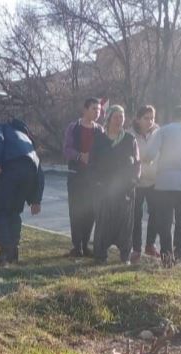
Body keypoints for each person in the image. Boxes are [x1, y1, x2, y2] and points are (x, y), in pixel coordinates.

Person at [143, 105, 181, 266]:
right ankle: (178, 253)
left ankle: (166, 256)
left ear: (172, 116)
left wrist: (146, 162)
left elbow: (150, 156)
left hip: (165, 182)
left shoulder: (163, 132)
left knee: (165, 221)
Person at [0, 119, 45, 265]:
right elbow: (39, 171)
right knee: (13, 213)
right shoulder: (27, 142)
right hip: (29, 174)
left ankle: (5, 251)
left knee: (0, 213)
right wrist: (36, 200)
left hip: (10, 170)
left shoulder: (2, 128)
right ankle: (13, 252)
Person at [90, 105, 140, 264]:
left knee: (124, 224)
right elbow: (92, 163)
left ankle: (125, 256)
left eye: (122, 116)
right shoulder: (99, 139)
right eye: (116, 116)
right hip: (103, 189)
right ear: (109, 118)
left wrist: (133, 181)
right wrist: (96, 182)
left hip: (125, 189)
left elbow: (137, 164)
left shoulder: (129, 139)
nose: (120, 120)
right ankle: (100, 255)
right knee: (103, 222)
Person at [63, 98, 104, 257]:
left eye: (99, 109)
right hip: (76, 176)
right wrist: (80, 156)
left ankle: (86, 244)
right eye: (94, 108)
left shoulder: (100, 130)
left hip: (93, 178)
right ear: (85, 109)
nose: (97, 112)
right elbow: (66, 150)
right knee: (76, 211)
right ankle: (77, 246)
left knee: (91, 211)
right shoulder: (73, 128)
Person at [128, 105, 160, 262]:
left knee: (156, 213)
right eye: (146, 118)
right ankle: (136, 248)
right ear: (138, 119)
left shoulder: (158, 132)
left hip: (154, 181)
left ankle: (150, 245)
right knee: (136, 216)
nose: (150, 121)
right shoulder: (129, 134)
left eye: (152, 118)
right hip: (137, 182)